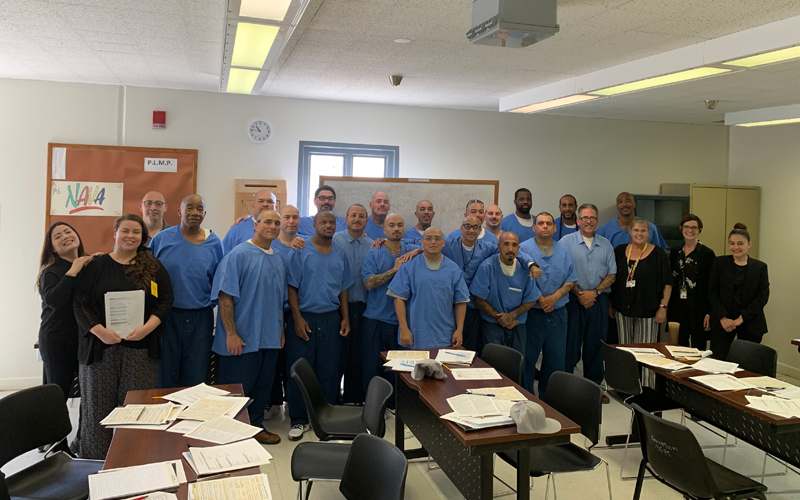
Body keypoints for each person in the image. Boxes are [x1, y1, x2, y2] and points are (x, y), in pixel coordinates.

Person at [74, 214, 173, 459]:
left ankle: (132, 458)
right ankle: (96, 461)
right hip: (100, 348)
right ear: (115, 233)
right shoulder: (95, 266)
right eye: (125, 231)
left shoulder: (153, 266)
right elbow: (80, 303)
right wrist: (100, 331)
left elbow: (165, 301)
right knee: (98, 408)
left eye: (136, 232)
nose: (130, 236)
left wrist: (146, 329)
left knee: (135, 408)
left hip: (140, 349)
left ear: (142, 237)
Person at [211, 209, 285, 445]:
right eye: (267, 222)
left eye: (276, 223)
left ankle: (254, 427)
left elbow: (278, 299)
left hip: (269, 338)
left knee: (261, 387)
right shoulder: (238, 255)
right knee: (236, 390)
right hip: (242, 338)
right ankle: (230, 431)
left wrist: (280, 330)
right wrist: (231, 333)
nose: (272, 226)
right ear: (256, 224)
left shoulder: (277, 258)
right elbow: (225, 296)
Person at [285, 211, 354, 441]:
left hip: (330, 318)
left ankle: (326, 418)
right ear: (313, 224)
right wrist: (296, 318)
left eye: (332, 222)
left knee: (329, 370)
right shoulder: (301, 250)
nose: (328, 225)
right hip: (305, 317)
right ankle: (299, 419)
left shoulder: (340, 253)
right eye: (323, 222)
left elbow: (344, 288)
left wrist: (345, 317)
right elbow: (292, 287)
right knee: (300, 370)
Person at [150, 194, 223, 388]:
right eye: (189, 208)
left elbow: (220, 281)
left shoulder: (214, 243)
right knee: (165, 374)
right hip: (167, 317)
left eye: (199, 209)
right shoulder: (162, 239)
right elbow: (146, 274)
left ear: (205, 214)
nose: (194, 213)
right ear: (179, 211)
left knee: (196, 376)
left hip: (201, 318)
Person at [362, 214, 421, 398]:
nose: (396, 228)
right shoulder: (375, 251)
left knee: (399, 368)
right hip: (376, 319)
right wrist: (393, 271)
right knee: (373, 367)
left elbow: (433, 248)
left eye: (400, 225)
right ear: (384, 230)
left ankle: (395, 406)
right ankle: (375, 405)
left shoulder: (410, 249)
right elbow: (369, 283)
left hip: (401, 322)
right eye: (392, 225)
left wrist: (418, 252)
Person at [519, 213, 577, 399]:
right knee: (527, 359)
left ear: (554, 228)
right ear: (534, 227)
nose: (545, 226)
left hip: (558, 314)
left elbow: (570, 280)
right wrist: (539, 299)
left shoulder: (564, 251)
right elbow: (520, 279)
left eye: (548, 224)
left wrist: (554, 298)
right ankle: (527, 398)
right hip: (532, 314)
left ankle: (550, 400)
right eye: (541, 223)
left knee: (555, 360)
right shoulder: (524, 249)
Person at [560, 204, 616, 396]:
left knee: (595, 345)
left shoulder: (606, 244)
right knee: (570, 345)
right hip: (573, 300)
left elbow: (612, 273)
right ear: (578, 221)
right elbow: (563, 272)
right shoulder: (566, 242)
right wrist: (580, 294)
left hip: (598, 300)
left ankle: (593, 389)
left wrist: (595, 293)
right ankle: (566, 387)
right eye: (584, 218)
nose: (588, 221)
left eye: (592, 218)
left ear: (597, 221)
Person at [37, 222, 96, 403]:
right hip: (57, 341)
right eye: (58, 236)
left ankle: (84, 432)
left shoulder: (90, 265)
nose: (65, 236)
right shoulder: (50, 272)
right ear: (53, 249)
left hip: (86, 340)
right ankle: (53, 432)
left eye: (68, 231)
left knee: (89, 393)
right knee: (56, 395)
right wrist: (73, 271)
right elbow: (54, 301)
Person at [609, 218, 671, 387]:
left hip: (648, 310)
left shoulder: (658, 254)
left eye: (643, 231)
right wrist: (611, 305)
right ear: (630, 232)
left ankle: (647, 387)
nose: (639, 234)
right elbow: (613, 280)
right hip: (623, 310)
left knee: (646, 352)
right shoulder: (620, 251)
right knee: (626, 351)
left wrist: (663, 307)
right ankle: (627, 386)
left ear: (649, 233)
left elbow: (667, 283)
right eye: (636, 230)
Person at [388, 227, 470, 349]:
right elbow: (399, 299)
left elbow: (460, 302)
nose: (433, 242)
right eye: (428, 238)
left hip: (444, 337)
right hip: (414, 337)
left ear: (443, 243)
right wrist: (404, 329)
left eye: (437, 239)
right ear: (422, 243)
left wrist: (459, 330)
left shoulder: (453, 269)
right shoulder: (409, 267)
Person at [470, 232, 540, 353]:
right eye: (506, 244)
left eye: (514, 245)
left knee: (516, 363)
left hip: (517, 323)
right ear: (498, 246)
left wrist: (511, 316)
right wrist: (501, 318)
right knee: (493, 362)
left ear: (518, 248)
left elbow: (531, 299)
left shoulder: (524, 270)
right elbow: (479, 300)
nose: (510, 249)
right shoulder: (487, 267)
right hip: (492, 323)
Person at [708, 224, 769, 360]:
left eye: (740, 243)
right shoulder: (719, 263)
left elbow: (762, 297)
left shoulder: (760, 267)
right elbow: (712, 292)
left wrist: (741, 319)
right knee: (719, 361)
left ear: (749, 244)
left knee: (747, 363)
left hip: (750, 321)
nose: (736, 247)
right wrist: (723, 317)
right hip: (723, 322)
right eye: (732, 243)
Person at [264, 204, 302, 419]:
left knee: (293, 358)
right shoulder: (272, 246)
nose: (291, 221)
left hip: (295, 310)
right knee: (274, 358)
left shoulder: (304, 244)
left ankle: (293, 402)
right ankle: (274, 401)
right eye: (286, 217)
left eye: (295, 217)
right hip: (274, 310)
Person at [332, 204, 373, 404]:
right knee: (338, 354)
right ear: (346, 218)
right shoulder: (333, 241)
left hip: (364, 308)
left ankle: (354, 398)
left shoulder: (374, 245)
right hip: (339, 307)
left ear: (367, 220)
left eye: (361, 216)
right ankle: (332, 397)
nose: (357, 219)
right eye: (353, 215)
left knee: (359, 354)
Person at [668, 214, 716, 349]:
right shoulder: (675, 252)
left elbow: (712, 285)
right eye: (687, 227)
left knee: (698, 347)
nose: (690, 230)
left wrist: (709, 312)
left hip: (699, 307)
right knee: (678, 346)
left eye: (694, 227)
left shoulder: (707, 254)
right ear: (681, 229)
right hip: (678, 306)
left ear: (699, 230)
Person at [596, 192, 667, 248]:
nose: (624, 204)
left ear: (634, 204)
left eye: (628, 201)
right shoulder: (604, 230)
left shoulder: (650, 228)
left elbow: (660, 254)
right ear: (617, 207)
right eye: (620, 202)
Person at [222, 189, 275, 253]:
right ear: (253, 206)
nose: (265, 204)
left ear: (276, 207)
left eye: (270, 201)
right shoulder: (238, 228)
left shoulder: (282, 229)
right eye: (260, 201)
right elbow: (224, 255)